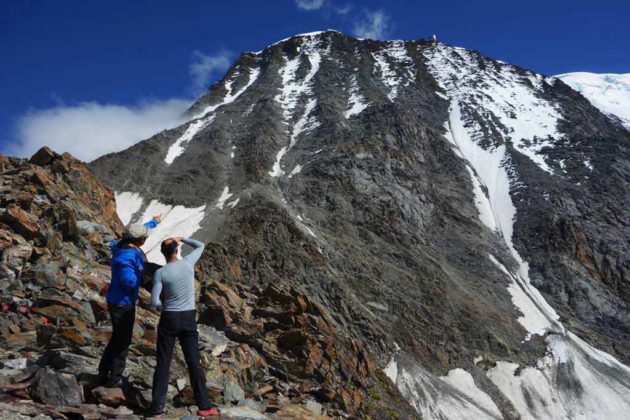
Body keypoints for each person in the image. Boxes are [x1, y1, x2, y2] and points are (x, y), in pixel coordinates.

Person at [148, 237, 218, 417]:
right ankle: (204, 406)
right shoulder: (188, 263)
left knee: (163, 362)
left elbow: (154, 302)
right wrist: (183, 238)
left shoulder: (160, 273)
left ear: (163, 253)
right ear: (177, 250)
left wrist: (165, 302)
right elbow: (201, 244)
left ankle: (157, 408)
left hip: (169, 317)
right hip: (188, 318)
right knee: (194, 362)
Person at [97, 215, 161, 387]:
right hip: (122, 304)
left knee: (117, 337)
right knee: (123, 341)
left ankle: (103, 370)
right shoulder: (126, 257)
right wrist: (142, 277)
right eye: (144, 237)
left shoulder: (120, 245)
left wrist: (154, 222)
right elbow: (129, 281)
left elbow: (136, 232)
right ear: (140, 241)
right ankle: (114, 378)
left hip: (117, 299)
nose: (146, 239)